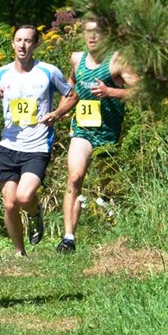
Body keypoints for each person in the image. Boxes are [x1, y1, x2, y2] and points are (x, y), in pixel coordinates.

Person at [0, 25, 74, 257]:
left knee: (24, 197)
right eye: (18, 40)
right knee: (9, 204)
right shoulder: (0, 73)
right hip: (8, 145)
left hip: (37, 146)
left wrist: (56, 114)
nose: (22, 45)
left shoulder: (48, 72)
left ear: (36, 44)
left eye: (28, 40)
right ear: (12, 43)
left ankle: (35, 214)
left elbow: (72, 95)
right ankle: (20, 252)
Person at [58, 17, 138, 253]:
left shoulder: (117, 61)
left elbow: (140, 91)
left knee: (110, 186)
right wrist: (60, 111)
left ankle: (117, 232)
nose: (92, 37)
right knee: (75, 177)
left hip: (109, 133)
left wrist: (110, 91)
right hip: (82, 130)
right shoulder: (77, 59)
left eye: (98, 32)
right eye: (88, 32)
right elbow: (71, 88)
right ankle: (68, 238)